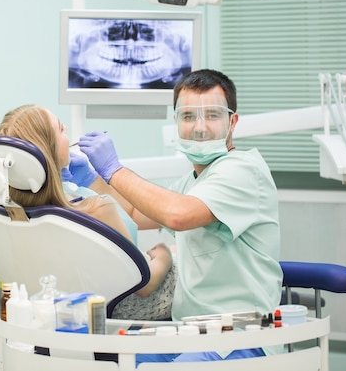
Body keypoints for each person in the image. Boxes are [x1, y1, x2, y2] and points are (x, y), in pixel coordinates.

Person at [72, 69, 283, 361]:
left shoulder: (244, 169)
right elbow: (135, 212)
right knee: (107, 359)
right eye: (188, 116)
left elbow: (177, 215)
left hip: (240, 335)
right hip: (188, 332)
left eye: (212, 115)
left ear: (232, 121)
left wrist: (114, 169)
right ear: (176, 123)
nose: (199, 127)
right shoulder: (192, 182)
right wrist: (93, 179)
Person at [0, 104, 175, 319]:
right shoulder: (97, 208)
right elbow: (145, 284)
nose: (67, 129)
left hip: (56, 315)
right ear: (49, 150)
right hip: (122, 310)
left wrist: (91, 180)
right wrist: (165, 253)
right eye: (61, 129)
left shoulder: (9, 214)